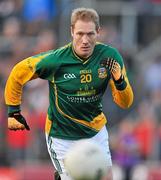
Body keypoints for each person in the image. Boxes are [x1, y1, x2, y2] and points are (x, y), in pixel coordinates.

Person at [4, 7, 134, 180]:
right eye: (80, 33)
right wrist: (14, 111)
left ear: (98, 32)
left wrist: (120, 82)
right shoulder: (55, 60)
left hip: (94, 131)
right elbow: (17, 73)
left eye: (90, 34)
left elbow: (126, 103)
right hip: (62, 136)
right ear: (72, 31)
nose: (85, 40)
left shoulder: (110, 57)